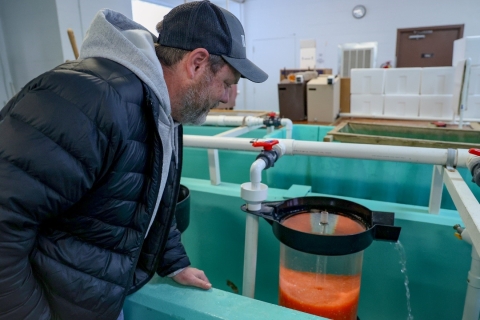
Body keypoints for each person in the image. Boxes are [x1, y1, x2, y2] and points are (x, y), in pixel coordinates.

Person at [0, 1, 267, 319]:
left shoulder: (164, 110)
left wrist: (174, 262)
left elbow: (150, 198)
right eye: (226, 82)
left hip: (98, 299)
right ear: (196, 63)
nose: (226, 97)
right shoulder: (86, 100)